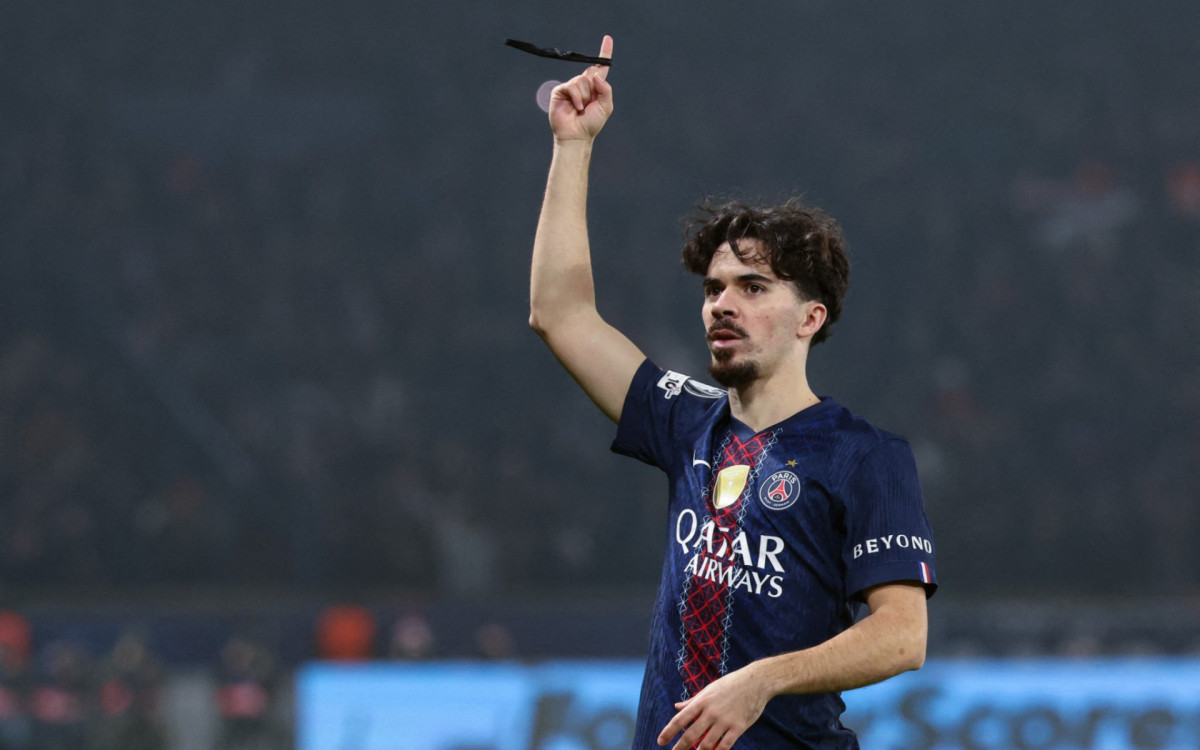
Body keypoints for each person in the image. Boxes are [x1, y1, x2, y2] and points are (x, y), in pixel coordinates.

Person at [528, 35, 937, 750]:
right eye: (714, 288)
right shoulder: (685, 420)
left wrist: (763, 680)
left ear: (810, 318)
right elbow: (560, 315)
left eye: (753, 288)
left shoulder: (865, 456)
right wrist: (573, 145)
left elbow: (902, 637)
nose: (722, 304)